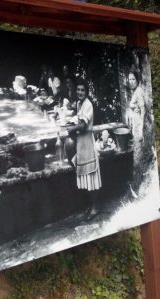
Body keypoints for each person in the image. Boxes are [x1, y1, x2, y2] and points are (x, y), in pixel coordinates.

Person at [67, 80, 101, 219]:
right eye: (78, 90)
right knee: (84, 177)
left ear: (86, 92)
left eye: (83, 90)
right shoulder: (79, 104)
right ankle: (90, 205)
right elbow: (78, 118)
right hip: (81, 143)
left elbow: (82, 126)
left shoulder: (88, 105)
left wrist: (71, 129)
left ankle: (95, 207)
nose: (80, 92)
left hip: (87, 142)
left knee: (91, 177)